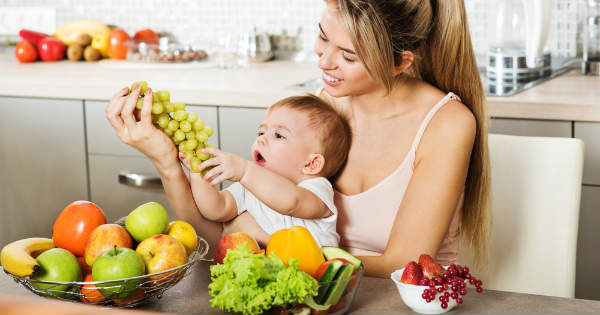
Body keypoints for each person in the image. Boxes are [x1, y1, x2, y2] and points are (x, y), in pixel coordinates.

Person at [106, 0, 491, 278]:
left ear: (399, 62)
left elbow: (400, 265)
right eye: (322, 39)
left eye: (348, 56)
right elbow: (219, 234)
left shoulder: (447, 124)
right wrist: (167, 162)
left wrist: (274, 247)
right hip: (311, 292)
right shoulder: (322, 110)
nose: (323, 62)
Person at [178, 95, 351, 247]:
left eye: (278, 135)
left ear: (311, 164)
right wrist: (197, 171)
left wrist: (245, 171)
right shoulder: (249, 186)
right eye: (261, 132)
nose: (261, 139)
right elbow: (217, 208)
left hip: (316, 279)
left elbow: (292, 202)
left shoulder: (316, 188)